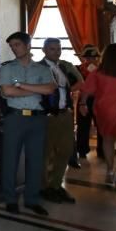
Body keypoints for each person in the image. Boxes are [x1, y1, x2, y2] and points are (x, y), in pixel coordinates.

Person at [0, 32, 57, 216]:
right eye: (12, 46)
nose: (14, 49)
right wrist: (34, 91)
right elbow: (7, 91)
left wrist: (22, 86)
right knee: (10, 159)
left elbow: (50, 89)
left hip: (37, 118)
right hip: (15, 118)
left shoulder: (41, 69)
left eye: (17, 44)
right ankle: (10, 199)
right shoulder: (8, 68)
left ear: (27, 45)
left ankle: (32, 199)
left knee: (36, 160)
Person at [81, 43, 116, 190]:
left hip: (103, 110)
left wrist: (83, 104)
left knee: (107, 140)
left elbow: (86, 91)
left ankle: (110, 170)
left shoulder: (98, 72)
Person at [38, 38, 83, 203]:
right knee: (46, 153)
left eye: (58, 49)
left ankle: (56, 185)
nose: (56, 52)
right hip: (48, 115)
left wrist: (69, 90)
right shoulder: (38, 67)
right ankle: (44, 187)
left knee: (65, 150)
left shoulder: (64, 66)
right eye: (52, 49)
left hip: (65, 113)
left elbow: (80, 82)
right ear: (44, 50)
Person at [75, 44, 99, 162]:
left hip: (98, 99)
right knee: (83, 126)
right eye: (88, 57)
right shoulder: (78, 69)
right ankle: (82, 150)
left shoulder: (102, 69)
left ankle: (102, 151)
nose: (90, 60)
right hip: (84, 99)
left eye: (93, 57)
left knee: (100, 126)